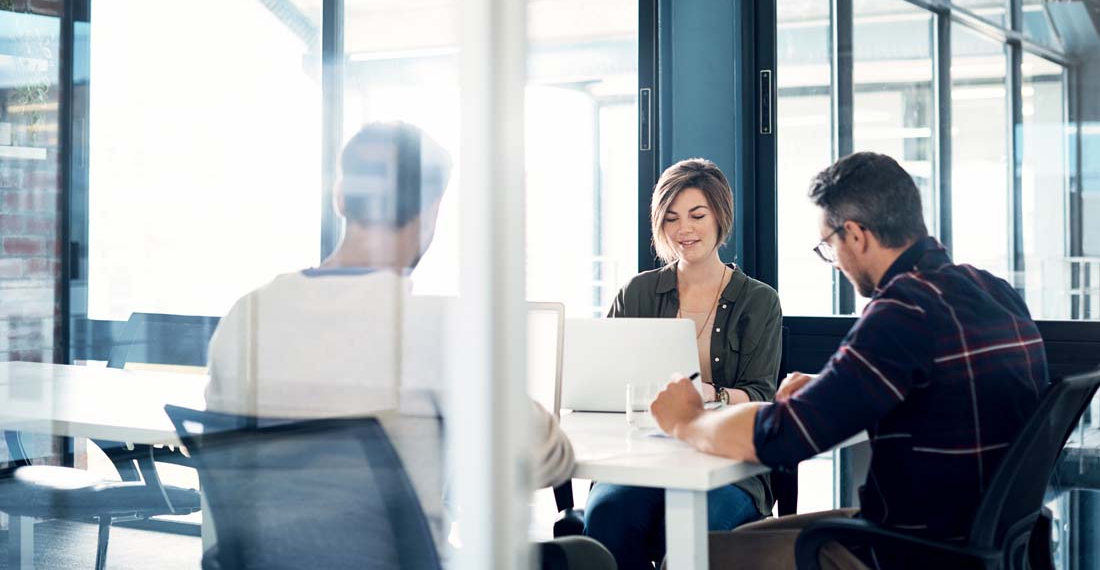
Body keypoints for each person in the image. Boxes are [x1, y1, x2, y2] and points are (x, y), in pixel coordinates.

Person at [205, 121, 611, 568]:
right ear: (432, 210)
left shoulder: (245, 317)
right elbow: (548, 462)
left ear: (340, 196)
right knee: (588, 557)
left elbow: (233, 465)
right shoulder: (437, 329)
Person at [649, 151, 1049, 570]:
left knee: (693, 554)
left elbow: (782, 439)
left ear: (855, 235)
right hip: (980, 540)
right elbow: (939, 393)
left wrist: (687, 420)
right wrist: (829, 389)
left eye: (829, 245)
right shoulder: (993, 291)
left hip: (905, 551)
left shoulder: (902, 311)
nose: (835, 261)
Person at [583, 158, 783, 570]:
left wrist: (713, 395)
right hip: (645, 456)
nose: (684, 230)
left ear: (720, 217)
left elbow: (763, 394)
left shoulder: (758, 300)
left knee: (697, 534)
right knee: (608, 514)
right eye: (671, 218)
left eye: (697, 215)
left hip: (728, 463)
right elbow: (601, 378)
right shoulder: (637, 292)